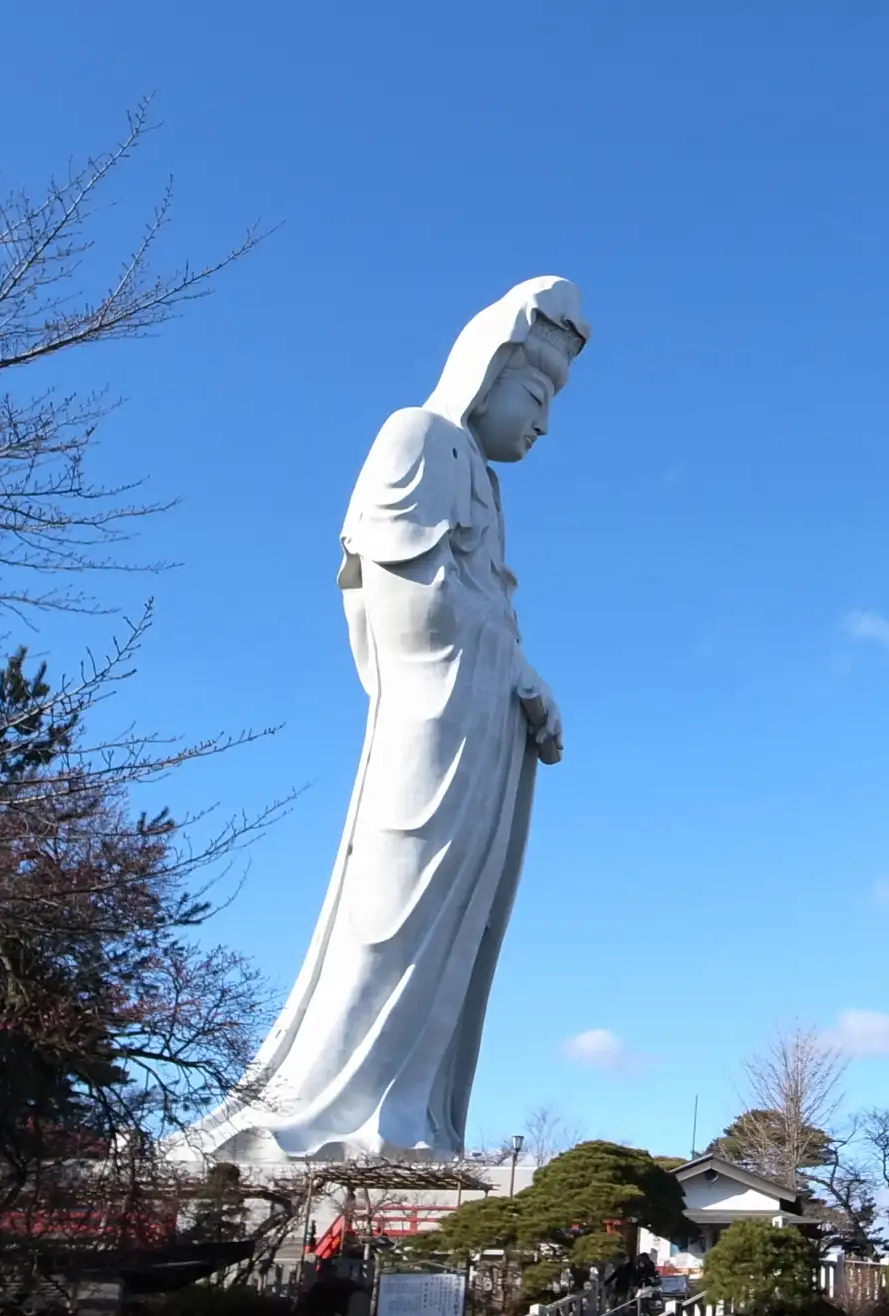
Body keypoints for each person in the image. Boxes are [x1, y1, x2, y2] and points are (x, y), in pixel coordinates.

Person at [180, 279, 587, 1160]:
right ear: (489, 372)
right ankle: (327, 1110)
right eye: (540, 395)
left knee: (455, 927)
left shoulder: (479, 478)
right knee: (389, 913)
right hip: (430, 725)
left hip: (476, 731)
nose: (546, 424)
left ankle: (407, 1119)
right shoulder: (419, 437)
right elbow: (417, 618)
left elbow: (484, 610)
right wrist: (514, 674)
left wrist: (523, 682)